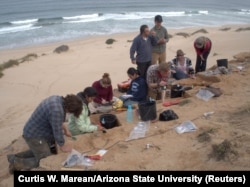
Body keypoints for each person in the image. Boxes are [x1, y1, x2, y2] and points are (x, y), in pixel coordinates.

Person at [7, 94, 83, 173]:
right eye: (71, 112)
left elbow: (57, 120)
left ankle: (13, 157)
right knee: (45, 160)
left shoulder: (58, 99)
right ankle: (15, 163)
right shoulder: (57, 110)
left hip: (33, 130)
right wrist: (62, 145)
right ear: (70, 109)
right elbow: (57, 131)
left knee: (39, 151)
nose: (69, 114)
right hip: (35, 135)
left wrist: (65, 129)